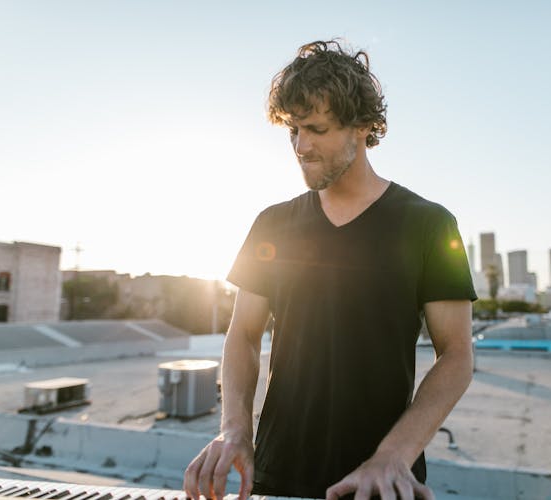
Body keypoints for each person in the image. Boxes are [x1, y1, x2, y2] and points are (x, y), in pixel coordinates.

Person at [183, 40, 477, 500]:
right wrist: (235, 430)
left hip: (382, 482)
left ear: (361, 127)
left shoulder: (429, 224)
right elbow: (241, 336)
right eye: (293, 130)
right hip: (276, 474)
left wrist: (393, 455)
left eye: (316, 129)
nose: (301, 146)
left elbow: (456, 356)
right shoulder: (273, 223)